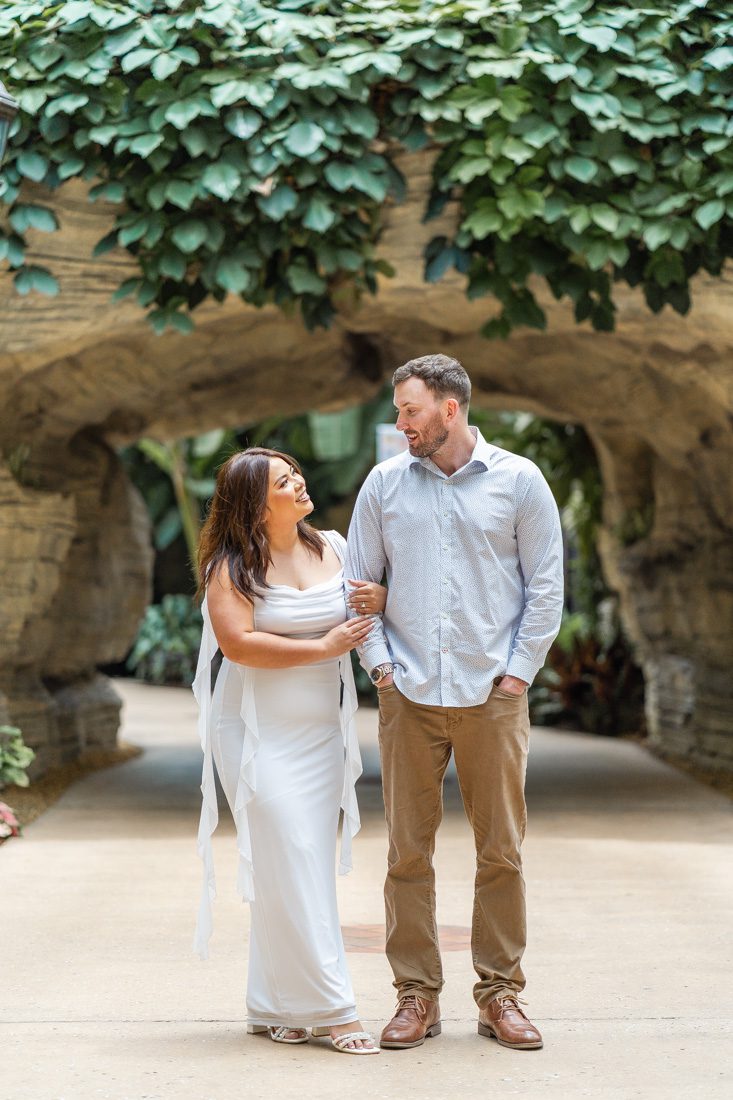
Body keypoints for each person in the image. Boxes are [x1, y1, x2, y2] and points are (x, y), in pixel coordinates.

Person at [345, 354, 564, 1051]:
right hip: (406, 692)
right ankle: (415, 996)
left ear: (450, 407)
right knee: (406, 853)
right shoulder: (383, 484)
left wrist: (518, 674)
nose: (399, 422)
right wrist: (379, 667)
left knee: (500, 851)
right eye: (398, 410)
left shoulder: (519, 481)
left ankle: (500, 994)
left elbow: (545, 587)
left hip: (490, 693)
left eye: (410, 409)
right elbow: (358, 584)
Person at [192, 446, 386, 1055]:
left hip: (319, 730)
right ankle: (334, 1007)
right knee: (292, 849)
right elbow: (240, 645)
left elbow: (368, 605)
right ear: (255, 501)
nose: (300, 483)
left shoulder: (333, 544)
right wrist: (325, 646)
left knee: (295, 863)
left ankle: (275, 1003)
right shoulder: (231, 566)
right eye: (284, 480)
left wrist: (375, 605)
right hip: (252, 732)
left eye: (296, 472)